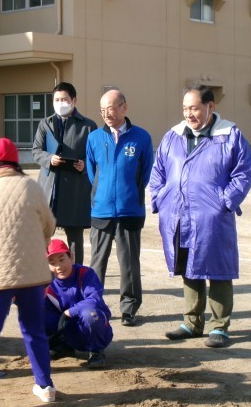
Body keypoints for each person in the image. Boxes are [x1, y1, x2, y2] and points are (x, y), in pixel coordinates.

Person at [149, 85, 251, 348]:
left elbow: (243, 174)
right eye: (185, 108)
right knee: (189, 268)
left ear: (210, 107)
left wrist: (225, 202)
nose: (189, 114)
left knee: (218, 270)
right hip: (179, 216)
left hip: (212, 218)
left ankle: (219, 326)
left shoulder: (229, 135)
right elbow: (158, 171)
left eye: (194, 108)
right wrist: (160, 198)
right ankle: (192, 322)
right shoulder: (173, 136)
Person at [0, 138, 58, 403]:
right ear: (16, 162)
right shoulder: (31, 186)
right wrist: (35, 247)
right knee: (34, 330)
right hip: (31, 273)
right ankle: (45, 386)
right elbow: (49, 226)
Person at [86, 88, 154, 327]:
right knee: (97, 264)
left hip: (130, 210)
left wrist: (130, 193)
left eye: (111, 108)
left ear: (124, 107)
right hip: (101, 210)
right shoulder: (94, 138)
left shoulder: (142, 137)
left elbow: (145, 174)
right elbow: (92, 173)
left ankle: (129, 308)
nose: (106, 114)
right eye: (102, 110)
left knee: (129, 264)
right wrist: (102, 194)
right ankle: (93, 305)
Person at [32, 82, 97, 264]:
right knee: (43, 235)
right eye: (57, 100)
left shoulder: (88, 126)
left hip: (75, 188)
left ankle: (76, 272)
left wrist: (85, 166)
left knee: (75, 236)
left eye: (64, 99)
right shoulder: (45, 124)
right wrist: (49, 159)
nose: (60, 103)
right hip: (50, 187)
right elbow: (36, 151)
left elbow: (96, 156)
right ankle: (42, 273)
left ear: (74, 101)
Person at [44, 239, 113, 369]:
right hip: (68, 330)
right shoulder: (47, 282)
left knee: (90, 313)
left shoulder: (85, 273)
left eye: (62, 259)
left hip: (92, 328)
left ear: (71, 257)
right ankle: (63, 347)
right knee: (37, 314)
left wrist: (69, 312)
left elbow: (94, 299)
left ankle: (96, 351)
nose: (58, 266)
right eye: (52, 263)